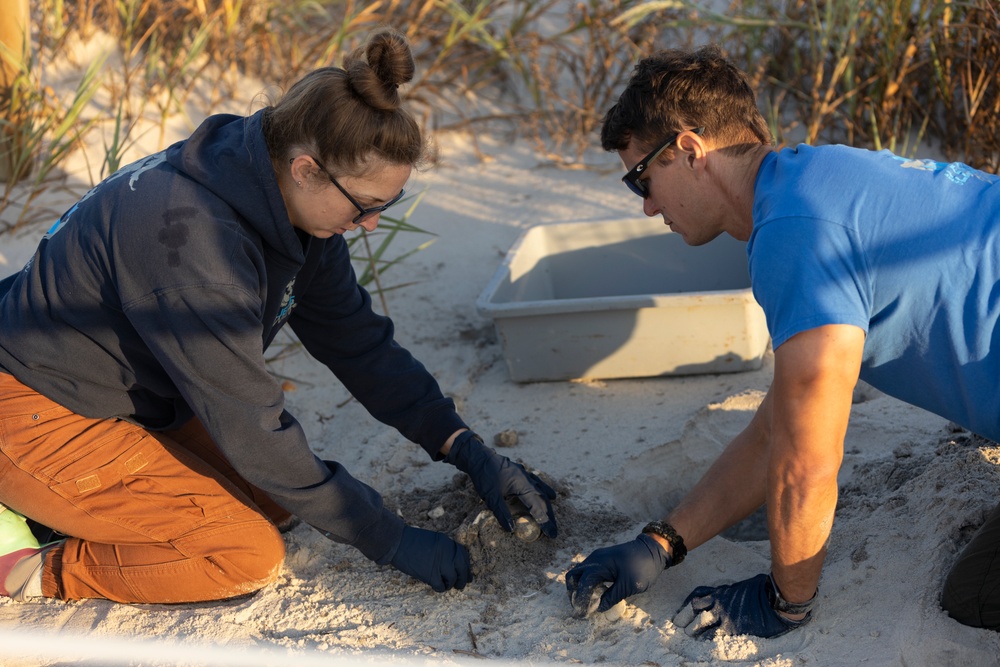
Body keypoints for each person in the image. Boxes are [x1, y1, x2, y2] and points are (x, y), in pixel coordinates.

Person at [0, 28, 557, 605]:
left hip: (131, 399)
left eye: (386, 208)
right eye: (365, 206)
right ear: (306, 169)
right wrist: (388, 539)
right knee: (242, 553)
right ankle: (25, 561)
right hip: (37, 409)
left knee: (278, 504)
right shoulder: (192, 244)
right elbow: (252, 426)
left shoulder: (291, 206)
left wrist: (463, 446)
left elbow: (359, 345)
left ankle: (69, 505)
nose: (369, 224)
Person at [565, 45, 1000, 639]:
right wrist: (662, 543)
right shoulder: (817, 178)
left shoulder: (795, 234)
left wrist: (786, 601)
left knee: (977, 595)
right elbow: (781, 427)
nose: (646, 206)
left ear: (689, 150)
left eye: (642, 176)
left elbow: (809, 459)